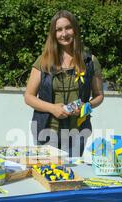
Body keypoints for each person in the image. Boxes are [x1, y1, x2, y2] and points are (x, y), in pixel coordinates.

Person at [24, 10, 104, 157]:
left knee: (72, 175)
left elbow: (99, 95)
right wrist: (52, 108)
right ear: (53, 34)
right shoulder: (43, 61)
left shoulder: (90, 61)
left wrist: (87, 106)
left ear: (75, 29)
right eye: (59, 30)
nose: (64, 34)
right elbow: (28, 96)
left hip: (77, 131)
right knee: (49, 175)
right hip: (47, 130)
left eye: (68, 28)